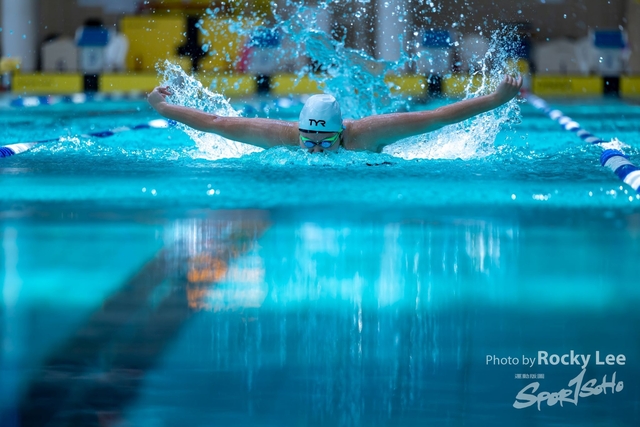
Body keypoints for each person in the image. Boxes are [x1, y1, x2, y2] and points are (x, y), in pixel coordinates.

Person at [147, 75, 523, 153]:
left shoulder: (367, 135)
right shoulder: (282, 136)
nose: (314, 150)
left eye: (325, 142)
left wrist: (496, 99)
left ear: (342, 131)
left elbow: (438, 116)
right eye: (308, 140)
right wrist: (163, 108)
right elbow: (216, 124)